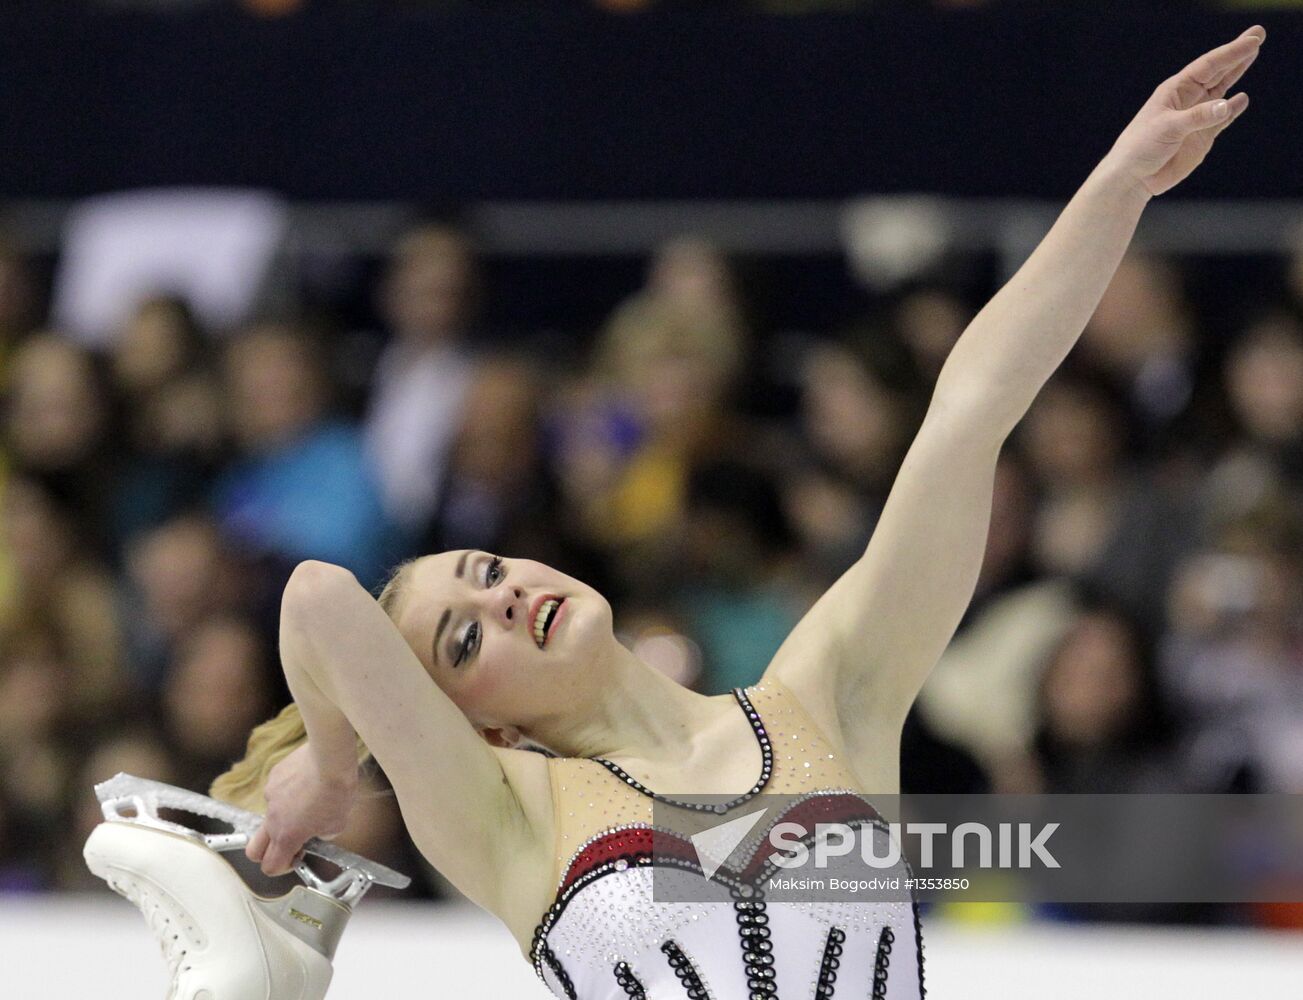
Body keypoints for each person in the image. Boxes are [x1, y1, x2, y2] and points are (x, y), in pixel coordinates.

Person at [94, 26, 1267, 1000]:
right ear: (479, 725)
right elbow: (315, 598)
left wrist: (1118, 182)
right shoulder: (508, 813)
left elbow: (971, 405)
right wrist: (334, 762)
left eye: (489, 568)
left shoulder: (828, 694)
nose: (502, 596)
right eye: (464, 637)